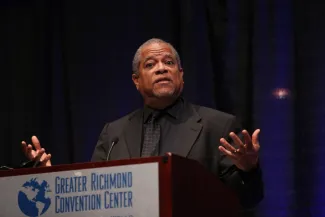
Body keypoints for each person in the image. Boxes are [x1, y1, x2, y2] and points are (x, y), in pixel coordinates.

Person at [21, 38, 263, 210]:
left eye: (169, 63)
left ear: (181, 74)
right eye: (150, 65)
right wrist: (49, 177)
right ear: (136, 81)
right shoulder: (114, 133)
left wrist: (248, 170)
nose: (161, 69)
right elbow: (93, 198)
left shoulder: (217, 125)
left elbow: (246, 201)